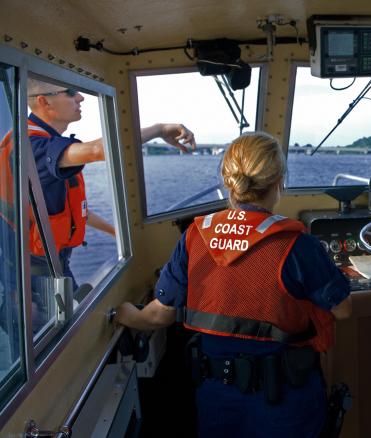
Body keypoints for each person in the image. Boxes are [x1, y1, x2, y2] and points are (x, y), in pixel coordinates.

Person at [115, 132, 352, 437]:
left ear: (228, 181)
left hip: (217, 396)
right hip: (284, 401)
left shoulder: (194, 237)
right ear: (279, 180)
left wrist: (123, 314)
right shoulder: (297, 245)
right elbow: (343, 309)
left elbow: (159, 315)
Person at [23, 78, 196, 289]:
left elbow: (73, 211)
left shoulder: (44, 143)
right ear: (44, 102)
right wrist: (159, 130)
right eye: (70, 92)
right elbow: (97, 150)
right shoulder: (32, 146)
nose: (80, 97)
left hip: (53, 264)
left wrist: (115, 232)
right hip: (35, 275)